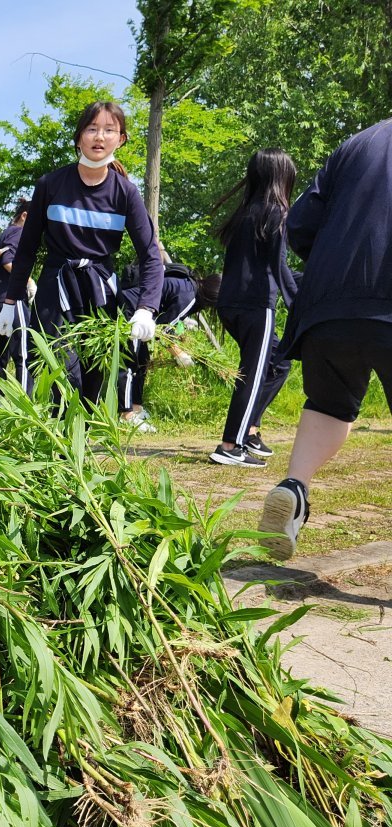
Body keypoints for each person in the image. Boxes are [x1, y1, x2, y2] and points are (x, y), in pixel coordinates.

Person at [259, 119, 392, 560]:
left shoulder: (358, 142)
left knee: (329, 404)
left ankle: (293, 489)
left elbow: (298, 225)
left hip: (326, 303)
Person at [0, 101, 163, 407]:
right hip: (55, 289)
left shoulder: (126, 193)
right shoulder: (50, 185)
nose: (100, 137)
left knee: (92, 382)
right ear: (78, 138)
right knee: (63, 374)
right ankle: (60, 450)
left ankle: (76, 448)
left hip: (99, 295)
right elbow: (27, 249)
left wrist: (146, 307)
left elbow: (150, 254)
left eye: (109, 130)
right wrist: (11, 301)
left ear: (121, 139)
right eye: (92, 129)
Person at [208, 149, 299, 467]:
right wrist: (298, 301)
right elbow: (279, 265)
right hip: (256, 307)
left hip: (230, 303)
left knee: (279, 363)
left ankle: (249, 430)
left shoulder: (244, 213)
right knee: (254, 374)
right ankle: (231, 445)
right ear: (281, 178)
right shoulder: (277, 213)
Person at [116, 254, 221, 432]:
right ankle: (125, 416)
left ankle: (136, 408)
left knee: (142, 360)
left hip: (137, 309)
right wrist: (180, 354)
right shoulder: (190, 296)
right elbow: (163, 331)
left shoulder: (190, 287)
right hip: (130, 310)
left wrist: (182, 327)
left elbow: (168, 320)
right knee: (130, 362)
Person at [0, 198, 36, 398]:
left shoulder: (4, 234)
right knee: (24, 353)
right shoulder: (18, 232)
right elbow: (9, 261)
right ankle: (25, 409)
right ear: (24, 216)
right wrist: (29, 281)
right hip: (11, 300)